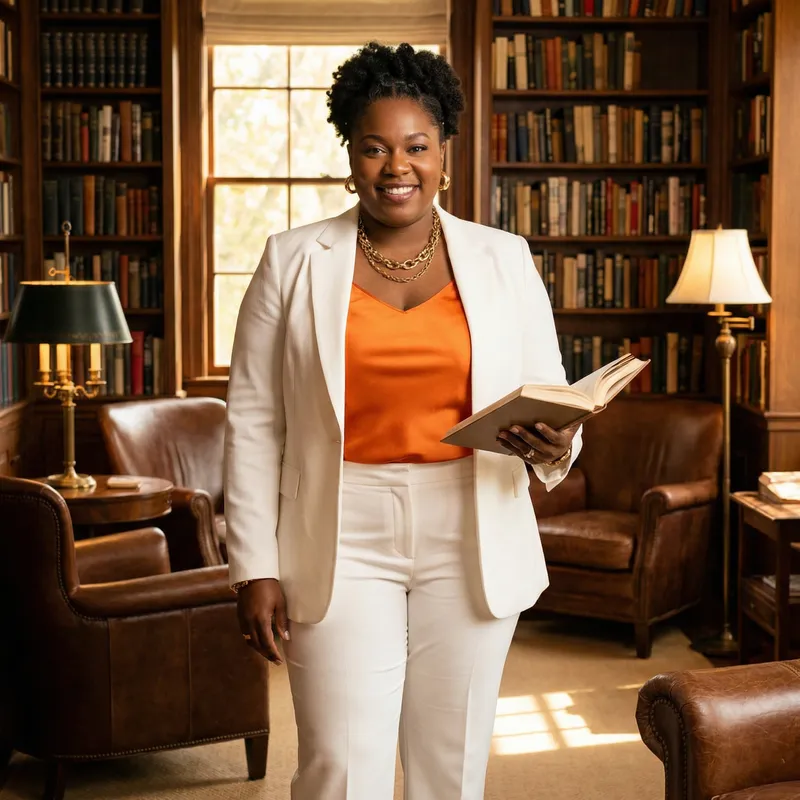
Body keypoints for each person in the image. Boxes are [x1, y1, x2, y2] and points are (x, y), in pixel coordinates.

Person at [223, 41, 582, 800]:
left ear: (444, 152)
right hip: (338, 528)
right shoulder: (292, 259)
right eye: (375, 148)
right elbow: (253, 421)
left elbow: (552, 398)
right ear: (350, 156)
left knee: (450, 771)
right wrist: (253, 566)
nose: (397, 167)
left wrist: (556, 443)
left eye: (416, 147)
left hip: (473, 522)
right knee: (340, 768)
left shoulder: (504, 257)